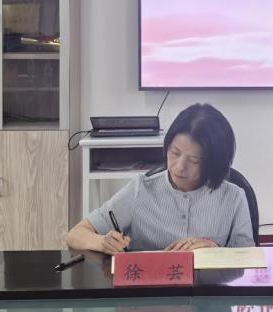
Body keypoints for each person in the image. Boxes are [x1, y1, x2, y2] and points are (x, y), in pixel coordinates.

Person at [66, 103, 254, 253]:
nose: (179, 167)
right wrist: (103, 242)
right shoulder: (141, 190)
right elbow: (75, 235)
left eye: (194, 160)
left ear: (214, 163)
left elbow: (248, 258)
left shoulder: (234, 197)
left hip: (209, 288)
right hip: (150, 289)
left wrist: (215, 250)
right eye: (175, 152)